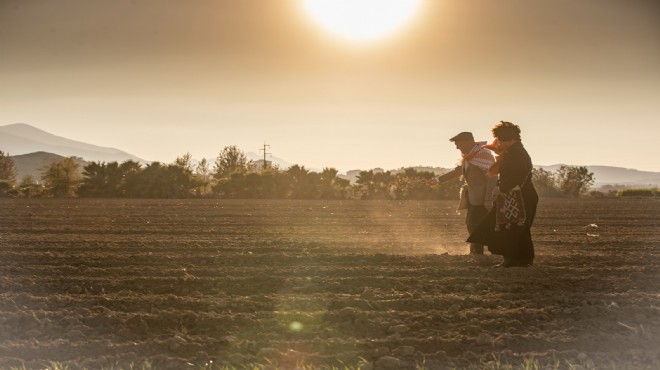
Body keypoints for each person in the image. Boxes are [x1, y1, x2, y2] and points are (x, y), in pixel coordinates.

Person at [467, 121, 539, 267]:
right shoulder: (515, 151)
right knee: (516, 227)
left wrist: (502, 188)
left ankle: (513, 259)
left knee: (511, 226)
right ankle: (521, 259)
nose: (498, 143)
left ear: (510, 140)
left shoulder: (516, 153)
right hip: (519, 194)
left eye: (500, 140)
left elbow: (519, 174)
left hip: (518, 195)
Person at [436, 131, 497, 255]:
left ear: (467, 142)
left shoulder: (483, 154)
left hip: (482, 199)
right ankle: (478, 251)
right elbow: (458, 171)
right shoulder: (470, 155)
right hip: (473, 198)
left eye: (458, 144)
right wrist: (437, 180)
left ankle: (478, 252)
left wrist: (488, 199)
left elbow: (492, 177)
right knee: (472, 224)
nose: (457, 147)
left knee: (474, 225)